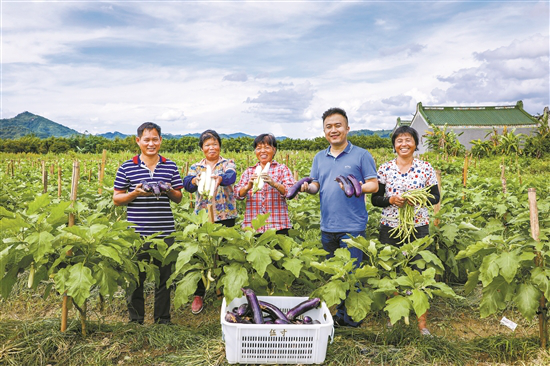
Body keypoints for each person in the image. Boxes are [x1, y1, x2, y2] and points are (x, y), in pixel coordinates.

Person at [300, 107, 379, 327]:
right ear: (324, 131)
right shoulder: (319, 157)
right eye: (329, 127)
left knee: (352, 273)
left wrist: (357, 187)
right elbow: (316, 185)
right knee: (337, 272)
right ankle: (340, 313)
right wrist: (307, 188)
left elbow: (374, 184)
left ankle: (351, 319)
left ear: (347, 128)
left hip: (353, 226)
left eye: (338, 125)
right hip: (328, 225)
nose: (333, 130)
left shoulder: (361, 155)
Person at [371, 125, 440, 336]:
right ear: (394, 144)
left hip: (417, 227)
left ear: (415, 144)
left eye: (408, 140)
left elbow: (435, 197)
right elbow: (376, 199)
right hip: (390, 227)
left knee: (419, 271)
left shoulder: (425, 168)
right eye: (399, 140)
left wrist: (415, 198)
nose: (404, 144)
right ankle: (396, 315)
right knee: (391, 269)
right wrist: (391, 199)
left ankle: (422, 324)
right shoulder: (384, 169)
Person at [113, 122, 183, 325]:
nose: (151, 143)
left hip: (165, 231)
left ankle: (163, 319)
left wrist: (168, 190)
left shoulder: (170, 165)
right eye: (147, 140)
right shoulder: (127, 167)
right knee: (136, 277)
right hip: (136, 232)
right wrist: (134, 193)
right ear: (138, 141)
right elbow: (117, 198)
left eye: (155, 139)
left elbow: (178, 198)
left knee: (164, 278)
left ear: (160, 141)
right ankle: (136, 319)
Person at [182, 129, 238, 314]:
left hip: (226, 215)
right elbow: (187, 184)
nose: (211, 147)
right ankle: (198, 294)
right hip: (203, 216)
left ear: (219, 146)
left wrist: (219, 178)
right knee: (201, 254)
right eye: (207, 145)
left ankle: (224, 290)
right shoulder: (196, 167)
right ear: (202, 148)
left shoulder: (227, 163)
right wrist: (196, 180)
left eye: (214, 144)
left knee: (226, 254)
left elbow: (231, 177)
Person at [234, 133, 295, 235]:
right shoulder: (249, 172)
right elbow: (237, 195)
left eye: (267, 147)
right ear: (255, 151)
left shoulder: (282, 169)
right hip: (253, 227)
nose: (262, 151)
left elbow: (291, 192)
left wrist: (274, 184)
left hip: (278, 225)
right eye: (259, 148)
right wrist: (248, 186)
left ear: (274, 150)